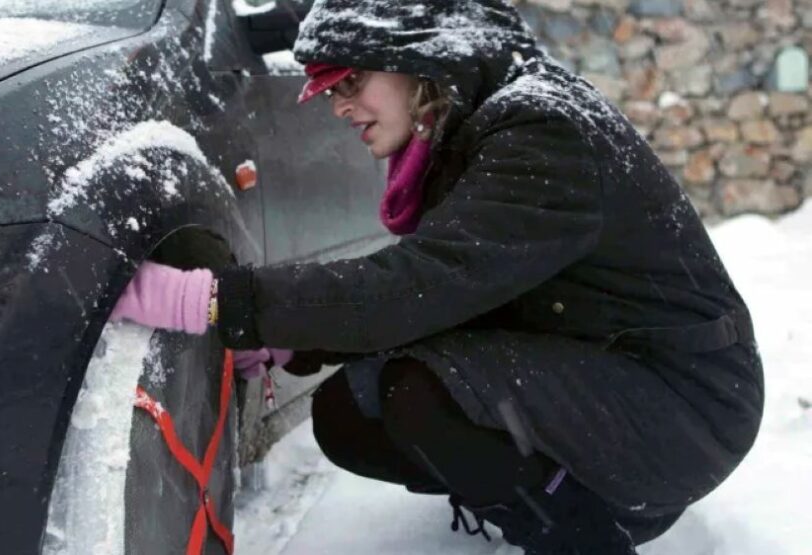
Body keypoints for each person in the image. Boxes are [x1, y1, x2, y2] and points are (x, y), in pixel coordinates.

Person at [110, 0, 764, 552]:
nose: (339, 107)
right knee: (349, 413)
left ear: (419, 58)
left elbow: (417, 286)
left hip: (684, 406)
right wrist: (291, 341)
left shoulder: (542, 132)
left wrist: (216, 300)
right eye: (330, 90)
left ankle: (584, 534)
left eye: (351, 81)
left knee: (420, 392)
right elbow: (450, 292)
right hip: (605, 372)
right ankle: (557, 501)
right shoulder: (475, 129)